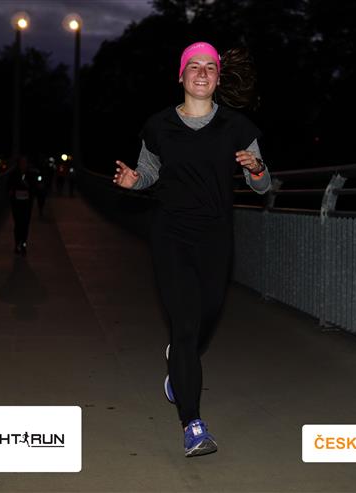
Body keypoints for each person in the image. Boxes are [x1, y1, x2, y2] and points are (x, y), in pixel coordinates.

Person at [113, 41, 271, 457]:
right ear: (180, 75)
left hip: (216, 237)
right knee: (184, 325)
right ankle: (193, 425)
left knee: (207, 317)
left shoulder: (237, 127)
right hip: (171, 234)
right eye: (193, 66)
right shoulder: (158, 125)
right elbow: (148, 172)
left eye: (209, 67)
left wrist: (257, 169)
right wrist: (135, 181)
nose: (201, 73)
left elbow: (262, 185)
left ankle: (179, 364)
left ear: (218, 78)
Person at [8, 155, 36, 255]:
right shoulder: (13, 174)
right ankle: (17, 244)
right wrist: (12, 190)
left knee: (25, 224)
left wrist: (28, 186)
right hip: (16, 203)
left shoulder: (30, 174)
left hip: (27, 204)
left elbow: (34, 188)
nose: (23, 165)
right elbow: (8, 186)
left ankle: (23, 244)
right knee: (18, 224)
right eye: (21, 162)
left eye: (25, 162)